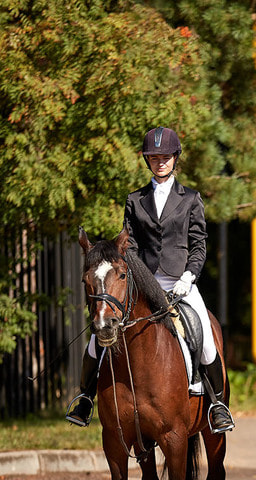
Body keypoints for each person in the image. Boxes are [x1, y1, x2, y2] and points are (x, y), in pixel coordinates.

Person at [66, 126, 234, 434]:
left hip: (181, 283)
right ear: (148, 161)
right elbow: (128, 246)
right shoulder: (135, 200)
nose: (160, 162)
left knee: (206, 340)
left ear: (174, 159)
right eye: (154, 157)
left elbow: (198, 245)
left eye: (166, 157)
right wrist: (136, 278)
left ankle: (217, 405)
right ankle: (85, 398)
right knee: (97, 339)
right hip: (143, 283)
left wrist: (188, 276)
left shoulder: (191, 199)